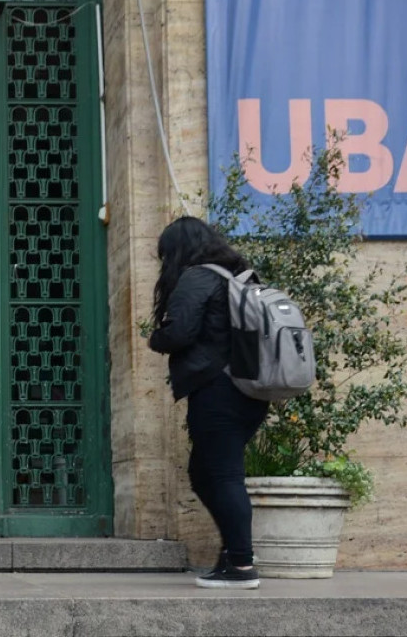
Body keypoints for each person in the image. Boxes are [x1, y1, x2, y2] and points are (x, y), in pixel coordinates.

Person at [147, 216, 268, 590]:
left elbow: (179, 332)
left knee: (224, 475)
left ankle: (242, 565)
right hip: (248, 392)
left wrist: (156, 338)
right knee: (204, 473)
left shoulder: (197, 277)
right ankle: (233, 553)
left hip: (218, 390)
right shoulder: (240, 277)